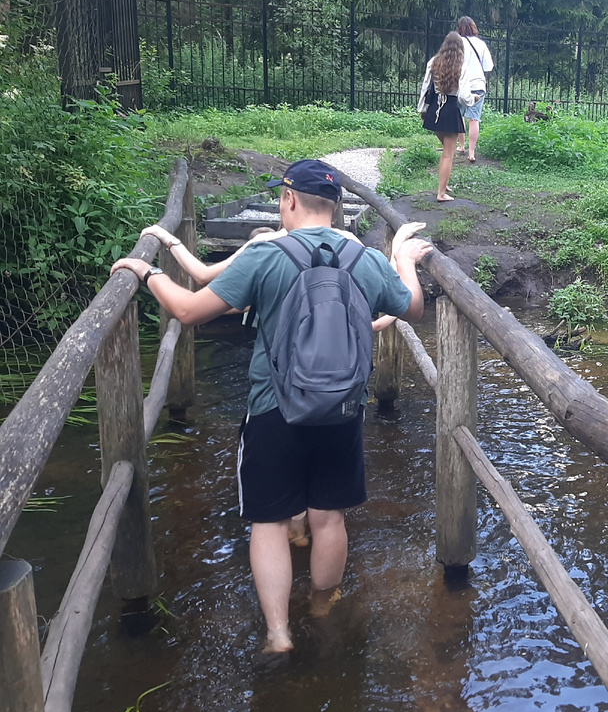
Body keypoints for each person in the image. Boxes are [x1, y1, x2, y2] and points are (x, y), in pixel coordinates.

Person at [113, 159, 433, 655]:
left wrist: (148, 270)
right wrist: (404, 260)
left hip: (273, 408)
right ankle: (323, 610)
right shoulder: (365, 259)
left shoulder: (266, 256)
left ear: (287, 200)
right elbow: (410, 307)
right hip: (343, 409)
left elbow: (187, 310)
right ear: (337, 208)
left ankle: (278, 633)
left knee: (268, 520)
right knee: (328, 518)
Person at [418, 32, 477, 202]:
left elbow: (425, 88)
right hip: (450, 110)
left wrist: (423, 109)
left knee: (446, 150)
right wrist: (474, 98)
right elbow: (463, 97)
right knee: (447, 154)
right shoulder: (461, 67)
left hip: (434, 108)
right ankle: (441, 193)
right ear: (460, 49)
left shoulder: (433, 62)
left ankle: (444, 183)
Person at [455, 16, 494, 164]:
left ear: (459, 28)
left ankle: (461, 146)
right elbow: (488, 67)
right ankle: (472, 152)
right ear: (474, 27)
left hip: (461, 85)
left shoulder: (457, 43)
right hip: (478, 85)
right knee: (474, 119)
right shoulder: (481, 44)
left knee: (459, 115)